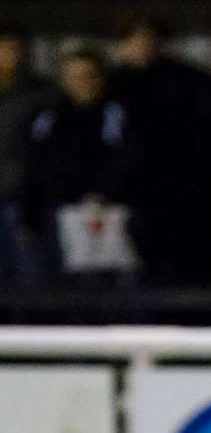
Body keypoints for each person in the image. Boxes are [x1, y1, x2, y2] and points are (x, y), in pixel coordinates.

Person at [111, 17, 211, 292]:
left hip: (179, 192)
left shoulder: (184, 81)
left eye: (149, 40)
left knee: (182, 267)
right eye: (137, 40)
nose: (143, 46)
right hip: (131, 194)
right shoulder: (114, 85)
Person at [22, 49, 135, 293]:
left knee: (103, 284)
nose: (82, 83)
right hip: (57, 210)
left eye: (89, 76)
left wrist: (104, 192)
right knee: (57, 284)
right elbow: (37, 162)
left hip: (101, 211)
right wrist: (32, 207)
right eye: (74, 76)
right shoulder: (50, 116)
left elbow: (123, 158)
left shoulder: (114, 114)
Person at [0, 27, 54, 291]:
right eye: (6, 50)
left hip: (20, 195)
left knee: (27, 269)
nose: (13, 56)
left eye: (18, 50)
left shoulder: (40, 93)